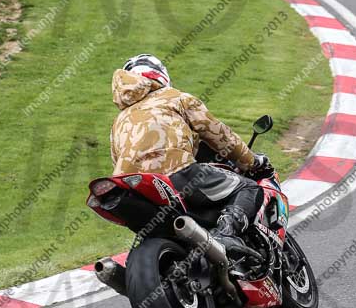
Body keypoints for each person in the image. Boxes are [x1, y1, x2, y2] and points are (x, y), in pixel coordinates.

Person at [110, 54, 274, 256]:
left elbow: (116, 160)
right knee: (249, 188)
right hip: (176, 173)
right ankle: (226, 234)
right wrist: (252, 161)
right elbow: (219, 135)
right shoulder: (175, 97)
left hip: (133, 190)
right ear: (160, 76)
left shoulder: (119, 122)